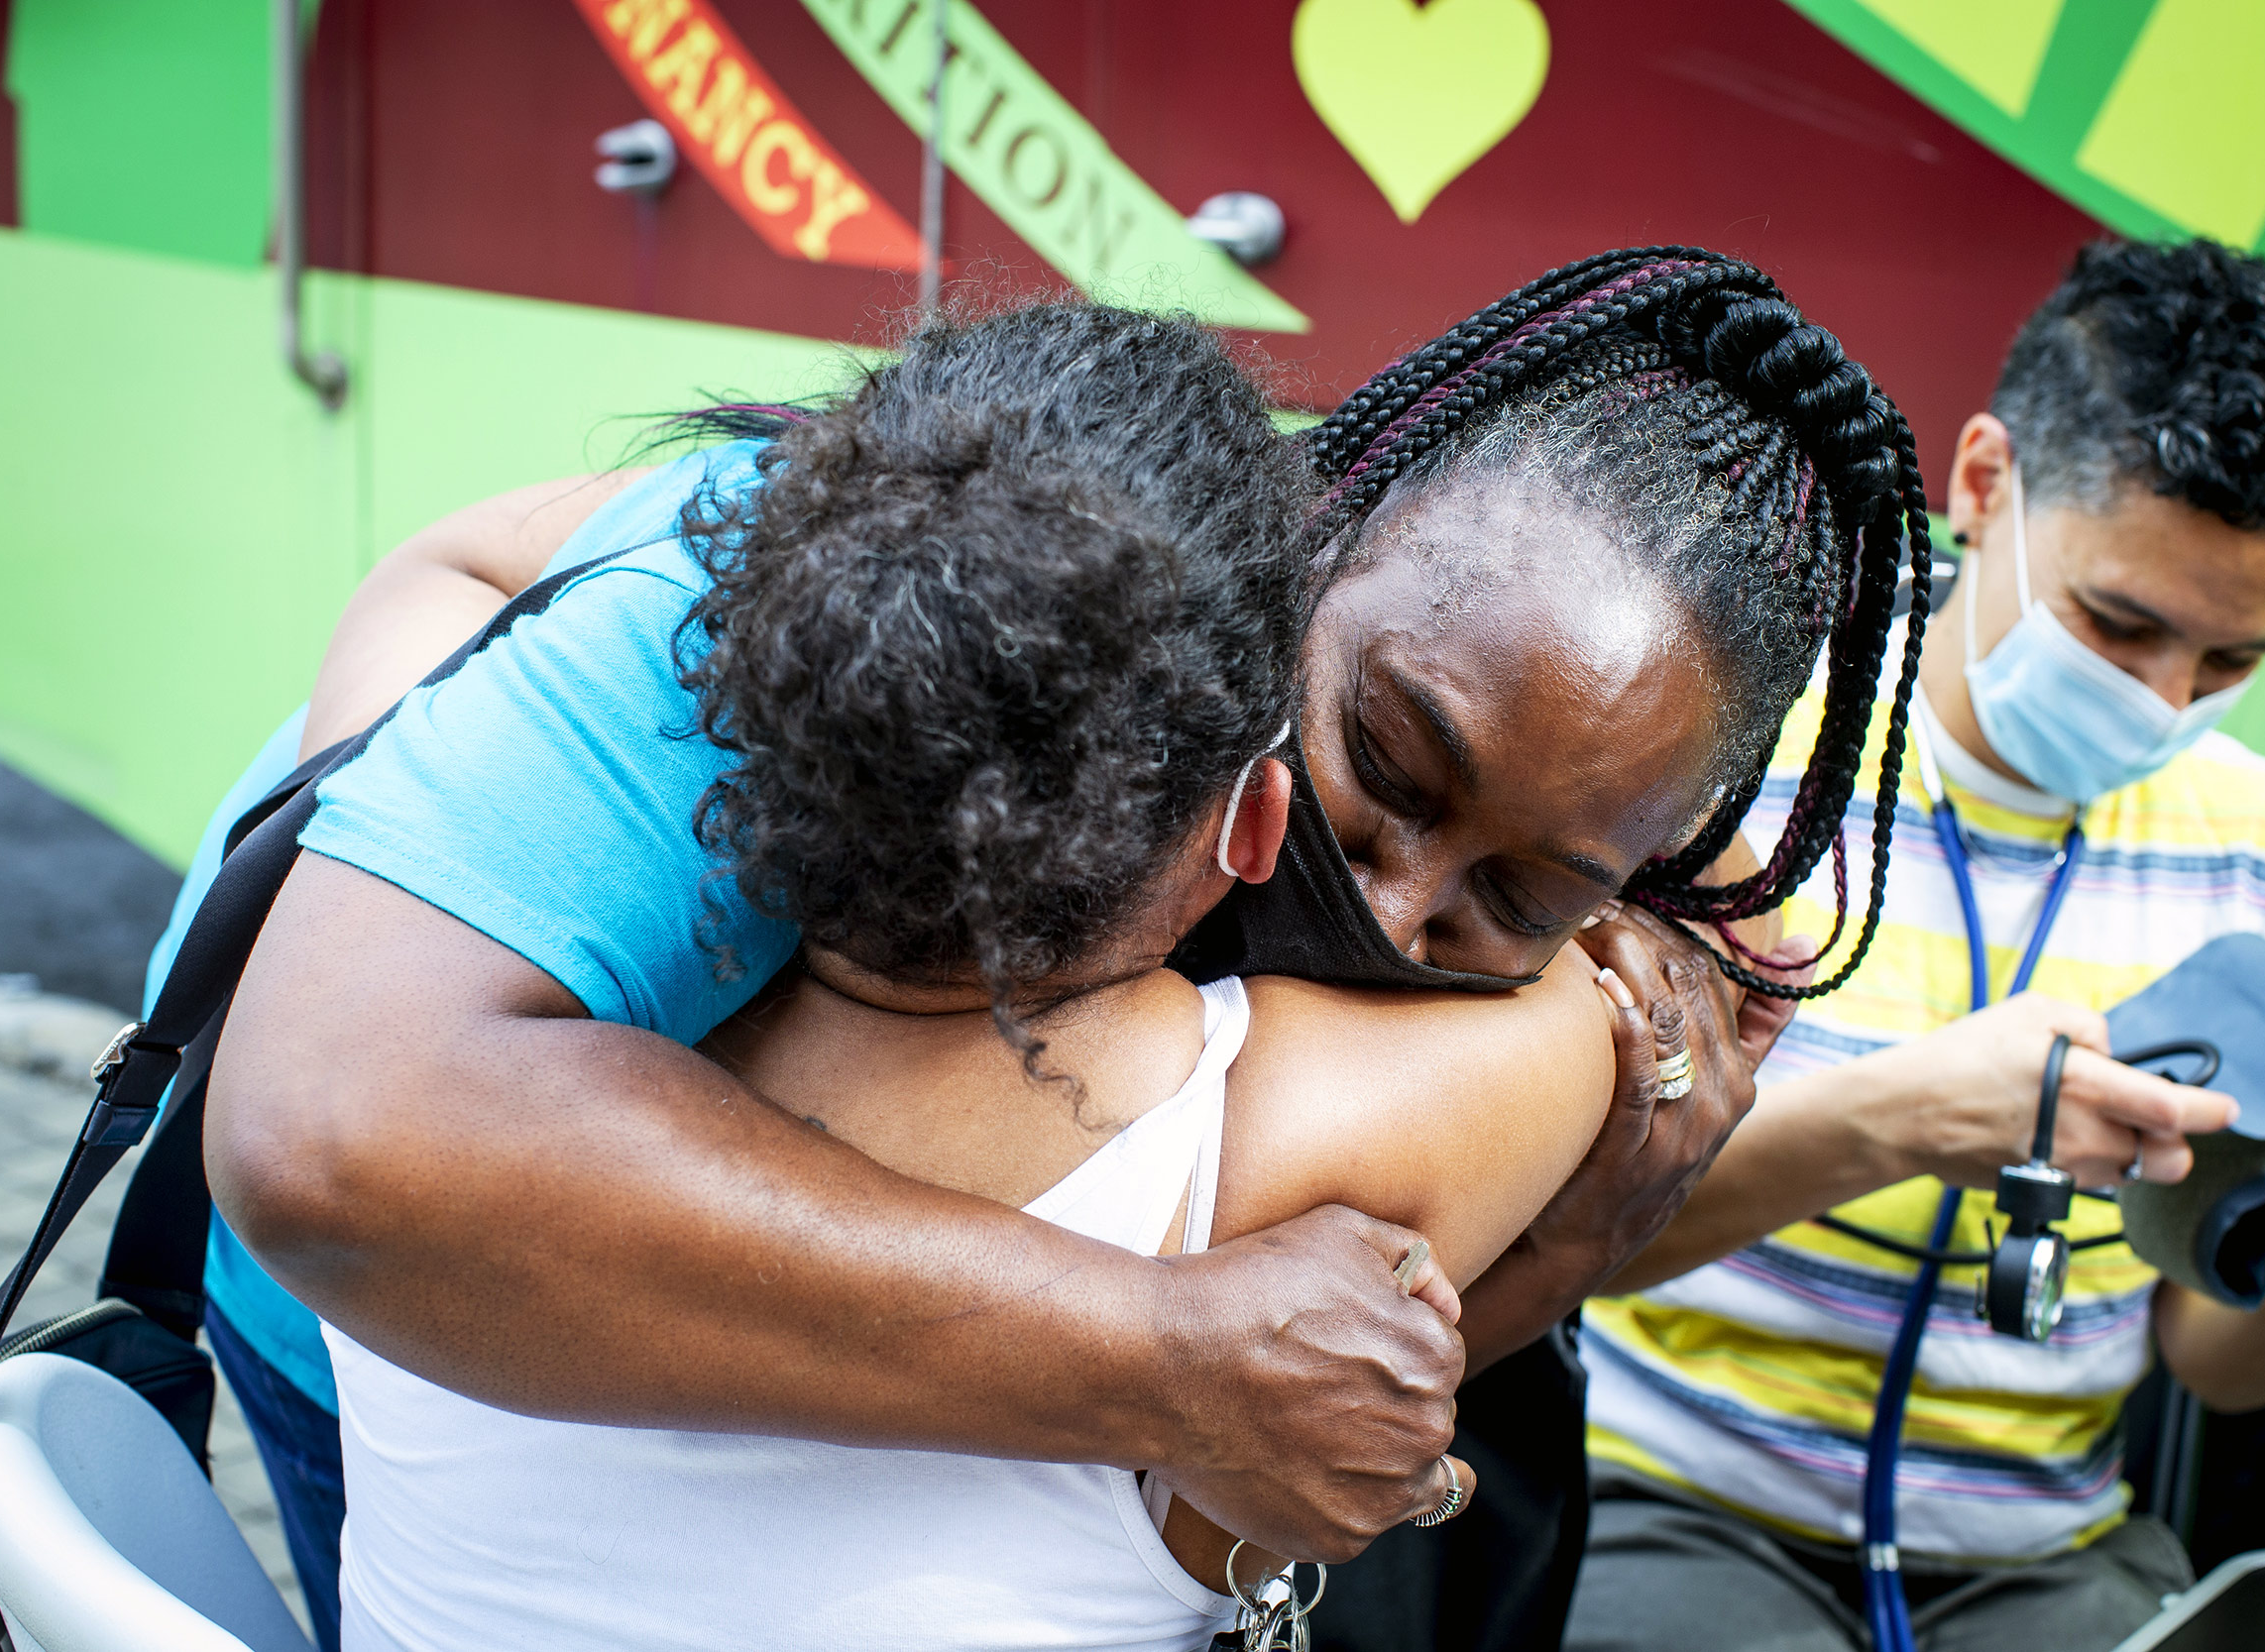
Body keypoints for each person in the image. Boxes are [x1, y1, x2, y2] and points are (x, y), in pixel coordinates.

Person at [199, 253, 1958, 1633]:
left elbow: (1333, 1373)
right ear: (1305, 539)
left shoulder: (1536, 882)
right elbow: (343, 1139)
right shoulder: (820, 617)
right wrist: (406, 830)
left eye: (1529, 896)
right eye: (1388, 765)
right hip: (378, 1311)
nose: (1411, 904)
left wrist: (1578, 1208)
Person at [1567, 239, 2265, 1652]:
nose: (2164, 699)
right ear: (1982, 484)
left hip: (2048, 1559)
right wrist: (1908, 1118)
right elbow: (1560, 1244)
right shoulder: (1733, 753)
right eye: (2120, 622)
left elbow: (2217, 1358)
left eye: (2232, 662)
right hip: (1676, 1507)